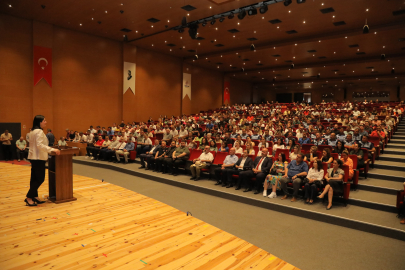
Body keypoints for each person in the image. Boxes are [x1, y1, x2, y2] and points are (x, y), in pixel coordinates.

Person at [25, 115, 60, 206]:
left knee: (34, 178)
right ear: (39, 122)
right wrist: (52, 149)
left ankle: (35, 196)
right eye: (44, 120)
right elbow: (39, 145)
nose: (46, 122)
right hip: (38, 157)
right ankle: (29, 197)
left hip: (34, 157)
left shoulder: (32, 131)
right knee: (40, 179)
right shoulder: (39, 132)